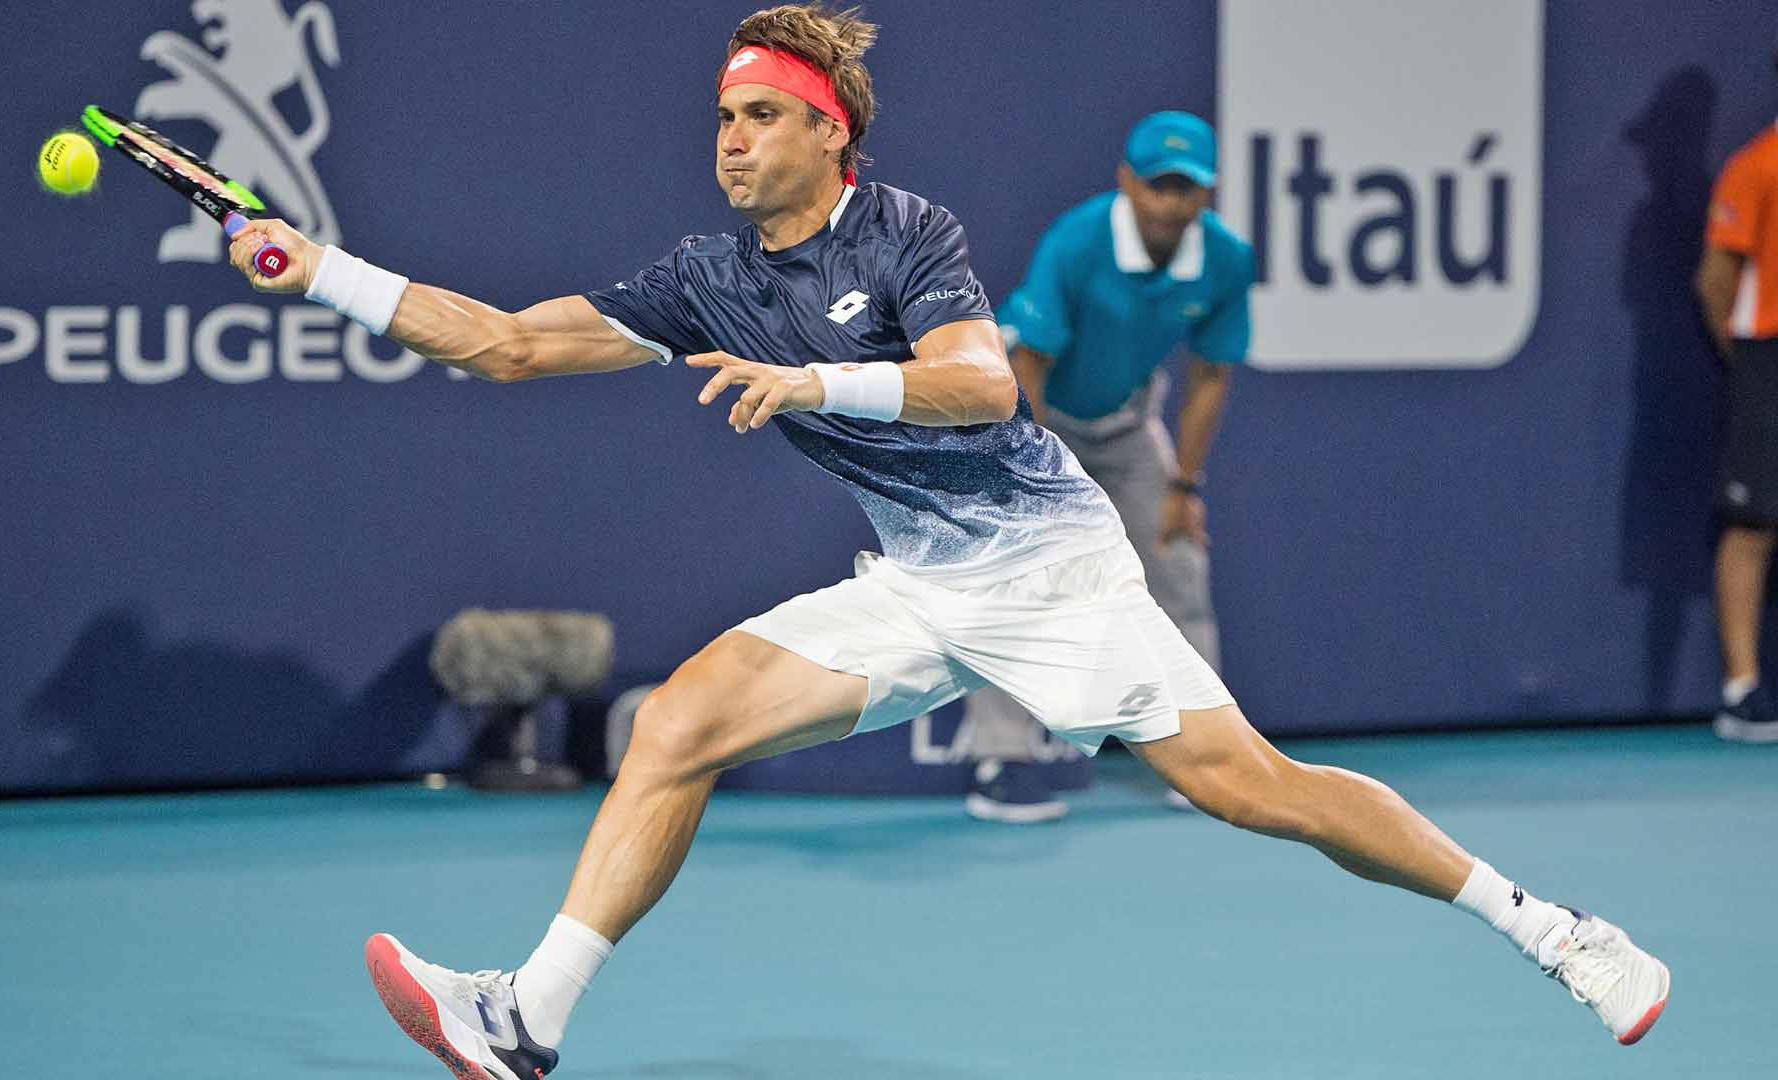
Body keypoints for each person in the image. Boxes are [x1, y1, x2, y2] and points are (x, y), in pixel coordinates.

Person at [221, 6, 1669, 1076]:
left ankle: (1554, 931)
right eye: (720, 118)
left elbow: (982, 381)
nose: (729, 140)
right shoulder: (702, 279)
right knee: (682, 722)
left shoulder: (906, 231)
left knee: (1254, 790)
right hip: (922, 585)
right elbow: (507, 345)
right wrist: (322, 271)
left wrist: (813, 381)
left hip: (1052, 568)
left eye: (760, 116)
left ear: (829, 131)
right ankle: (526, 1021)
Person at [962, 110, 1250, 823]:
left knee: (1178, 567)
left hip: (1126, 425)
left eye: (1188, 189)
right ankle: (1004, 758)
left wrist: (1185, 485)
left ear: (1207, 196)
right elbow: (1030, 359)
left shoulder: (1226, 259)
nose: (1170, 204)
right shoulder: (1078, 241)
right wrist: (1026, 475)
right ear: (1127, 182)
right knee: (1015, 573)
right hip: (1030, 414)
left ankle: (1208, 760)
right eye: (1158, 186)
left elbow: (1210, 375)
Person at [1697, 50, 1778, 744]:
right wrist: (1749, 355)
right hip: (1768, 354)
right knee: (1752, 523)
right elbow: (1716, 280)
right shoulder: (1757, 165)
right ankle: (1742, 690)